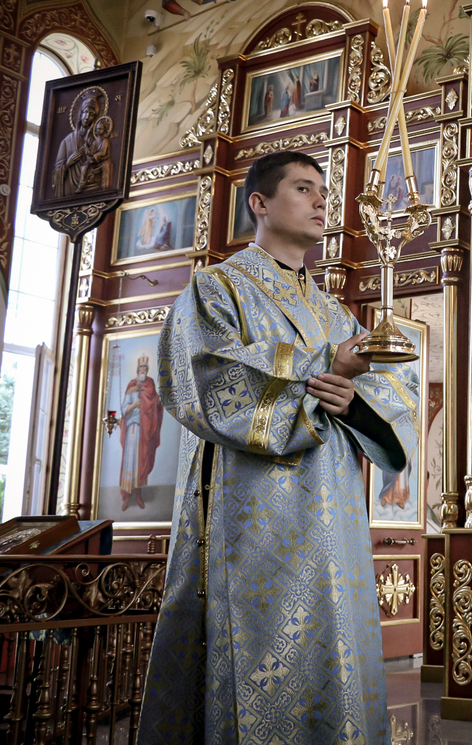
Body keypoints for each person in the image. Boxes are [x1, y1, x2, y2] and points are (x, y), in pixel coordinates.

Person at [138, 151, 419, 743]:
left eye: (323, 191)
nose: (321, 201)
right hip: (254, 525)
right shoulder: (217, 288)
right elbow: (206, 378)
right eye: (304, 188)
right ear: (259, 204)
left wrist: (352, 400)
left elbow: (389, 392)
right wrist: (324, 366)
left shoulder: (333, 311)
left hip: (335, 524)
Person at [118, 355, 164, 512]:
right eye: (141, 369)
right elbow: (124, 408)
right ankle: (128, 495)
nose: (143, 371)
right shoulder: (131, 386)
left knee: (141, 461)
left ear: (147, 370)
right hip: (132, 428)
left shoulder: (150, 385)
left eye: (145, 368)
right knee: (130, 461)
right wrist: (134, 405)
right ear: (138, 370)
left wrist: (157, 402)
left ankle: (138, 494)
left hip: (144, 430)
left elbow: (154, 403)